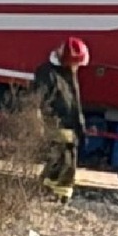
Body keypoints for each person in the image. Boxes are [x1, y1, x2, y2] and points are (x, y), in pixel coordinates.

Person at [32, 37, 89, 203]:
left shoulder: (69, 73)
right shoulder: (47, 73)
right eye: (75, 63)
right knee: (60, 163)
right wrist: (41, 125)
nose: (77, 67)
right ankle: (46, 195)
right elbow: (38, 101)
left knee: (69, 166)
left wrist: (80, 128)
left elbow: (75, 103)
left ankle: (61, 198)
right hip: (56, 126)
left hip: (70, 129)